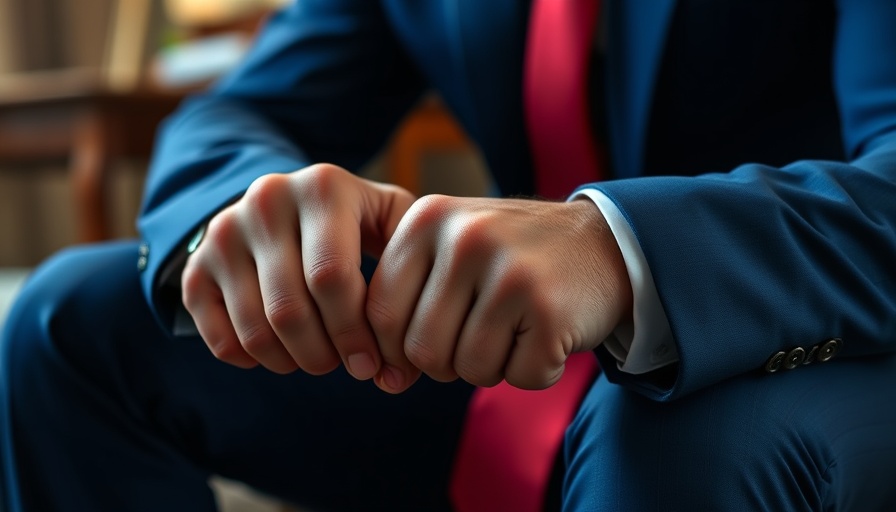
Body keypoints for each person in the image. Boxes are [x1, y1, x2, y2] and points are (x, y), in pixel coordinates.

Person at [3, 0, 896, 510]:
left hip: (801, 340)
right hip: (491, 363)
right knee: (69, 322)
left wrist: (619, 253)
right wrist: (248, 214)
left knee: (664, 433)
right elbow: (235, 112)